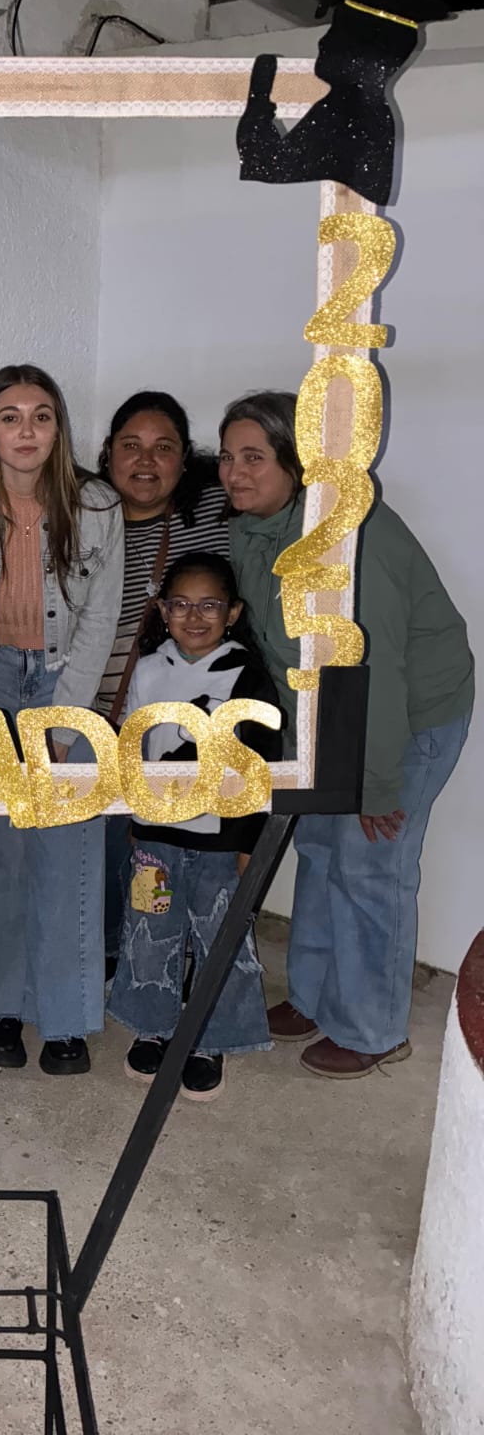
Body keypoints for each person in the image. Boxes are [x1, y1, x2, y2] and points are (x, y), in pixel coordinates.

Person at [220, 391, 474, 1078]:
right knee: (320, 849)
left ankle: (372, 1028)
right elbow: (278, 650)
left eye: (254, 458)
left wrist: (378, 783)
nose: (235, 473)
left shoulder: (351, 539)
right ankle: (313, 997)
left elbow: (379, 668)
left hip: (407, 715)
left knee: (370, 865)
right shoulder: (251, 530)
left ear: (297, 464)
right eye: (228, 457)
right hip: (325, 711)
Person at [0, 365, 123, 1076]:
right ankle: (1, 1007)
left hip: (63, 682)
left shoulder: (97, 505)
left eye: (42, 416)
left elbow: (100, 618)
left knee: (67, 855)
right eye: (10, 417)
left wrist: (65, 723)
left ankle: (65, 1018)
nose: (26, 431)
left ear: (58, 428)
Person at [107, 551, 282, 1099]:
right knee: (150, 928)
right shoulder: (149, 668)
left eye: (209, 605)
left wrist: (250, 842)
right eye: (181, 605)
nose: (194, 616)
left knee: (220, 934)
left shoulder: (246, 675)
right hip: (156, 835)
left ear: (233, 612)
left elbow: (262, 767)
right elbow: (133, 746)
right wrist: (136, 818)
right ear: (163, 610)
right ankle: (153, 1026)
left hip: (221, 839)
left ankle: (210, 1037)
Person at [95, 391, 230, 967]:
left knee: (174, 851)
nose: (146, 461)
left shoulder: (215, 512)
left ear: (184, 458)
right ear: (108, 453)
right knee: (107, 854)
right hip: (97, 717)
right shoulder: (85, 519)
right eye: (131, 446)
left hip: (184, 720)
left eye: (163, 448)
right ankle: (113, 957)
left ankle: (172, 958)